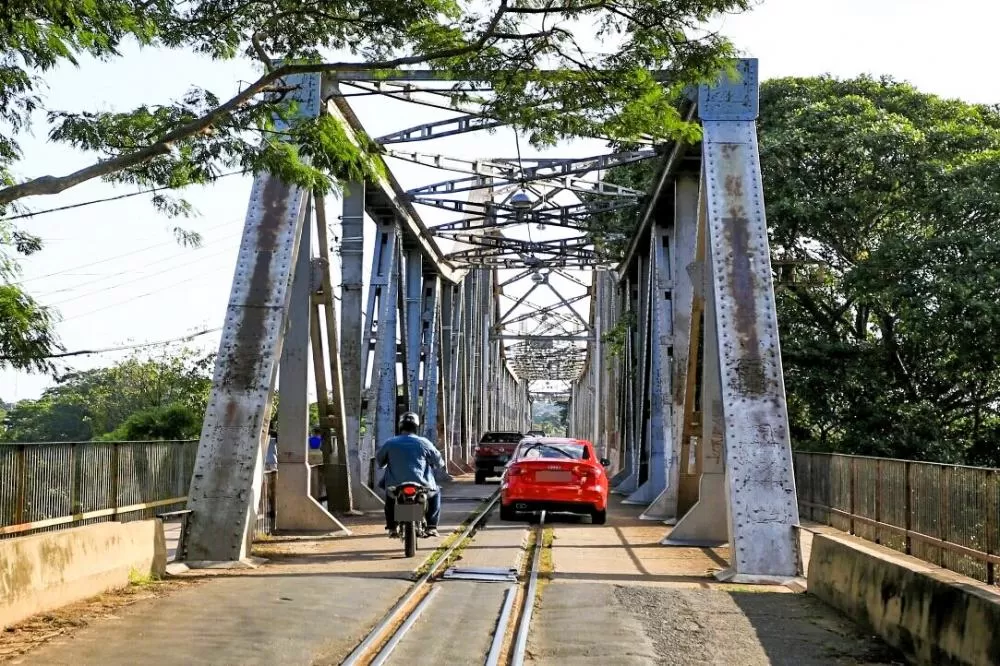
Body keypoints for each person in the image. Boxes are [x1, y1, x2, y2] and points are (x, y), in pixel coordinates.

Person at [376, 411, 444, 538]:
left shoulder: (390, 443)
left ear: (400, 426)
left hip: (395, 483)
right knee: (436, 493)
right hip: (422, 483)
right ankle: (431, 526)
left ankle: (391, 527)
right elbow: (439, 462)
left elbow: (380, 462)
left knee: (390, 498)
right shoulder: (424, 442)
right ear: (416, 427)